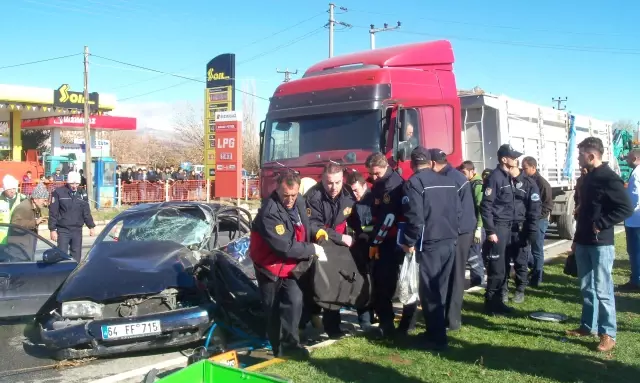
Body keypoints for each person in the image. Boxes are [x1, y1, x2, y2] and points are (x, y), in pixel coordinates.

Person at [248, 172, 325, 359]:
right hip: (269, 268)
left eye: (293, 195)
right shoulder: (269, 212)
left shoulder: (298, 200)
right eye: (285, 196)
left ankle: (291, 345)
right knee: (273, 310)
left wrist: (317, 232)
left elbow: (303, 225)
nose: (289, 200)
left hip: (290, 266)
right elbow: (284, 247)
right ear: (277, 189)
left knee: (294, 303)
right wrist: (311, 248)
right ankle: (278, 351)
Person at [566, 137, 632, 352]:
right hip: (583, 241)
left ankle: (608, 334)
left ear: (592, 156)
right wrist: (576, 240)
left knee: (602, 289)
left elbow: (626, 208)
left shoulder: (608, 177)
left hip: (601, 243)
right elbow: (583, 211)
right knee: (586, 287)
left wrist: (601, 224)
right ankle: (588, 326)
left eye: (581, 154)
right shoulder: (588, 178)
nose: (578, 157)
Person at [400, 146, 461, 350]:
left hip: (430, 243)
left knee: (430, 291)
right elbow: (457, 212)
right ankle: (437, 331)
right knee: (441, 288)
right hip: (450, 240)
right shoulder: (448, 181)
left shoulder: (414, 183)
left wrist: (409, 241)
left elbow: (415, 218)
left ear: (411, 164)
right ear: (430, 162)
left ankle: (436, 338)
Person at [305, 163, 360, 339]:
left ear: (342, 179)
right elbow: (314, 226)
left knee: (336, 285)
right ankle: (305, 325)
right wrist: (340, 238)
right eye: (329, 183)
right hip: (320, 246)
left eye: (337, 182)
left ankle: (333, 328)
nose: (333, 187)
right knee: (316, 286)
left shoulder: (347, 193)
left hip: (340, 249)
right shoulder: (313, 197)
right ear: (322, 179)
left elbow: (354, 218)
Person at [365, 152, 413, 337]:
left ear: (385, 167)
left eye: (377, 173)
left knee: (390, 282)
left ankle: (392, 324)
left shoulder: (392, 186)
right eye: (372, 174)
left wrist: (375, 242)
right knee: (385, 283)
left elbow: (388, 219)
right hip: (385, 237)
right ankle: (389, 322)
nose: (374, 177)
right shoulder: (380, 183)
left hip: (392, 240)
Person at [428, 149, 475, 331]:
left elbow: (453, 210)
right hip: (458, 230)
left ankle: (452, 321)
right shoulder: (454, 175)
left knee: (455, 276)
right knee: (449, 275)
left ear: (432, 163)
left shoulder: (450, 179)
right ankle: (446, 316)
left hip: (459, 232)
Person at [480, 144, 523, 315]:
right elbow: (486, 206)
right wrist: (490, 231)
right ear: (504, 159)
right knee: (496, 267)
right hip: (498, 227)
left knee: (504, 266)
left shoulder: (508, 177)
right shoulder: (495, 177)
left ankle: (499, 301)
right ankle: (491, 303)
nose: (516, 159)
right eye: (513, 157)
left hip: (508, 227)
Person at [503, 165, 541, 304]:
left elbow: (534, 209)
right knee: (503, 262)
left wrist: (531, 231)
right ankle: (504, 290)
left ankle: (520, 290)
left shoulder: (528, 183)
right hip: (504, 228)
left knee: (521, 261)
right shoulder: (503, 181)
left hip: (520, 229)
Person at [346, 171, 377, 330]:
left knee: (375, 284)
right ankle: (365, 321)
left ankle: (374, 316)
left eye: (356, 190)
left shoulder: (373, 201)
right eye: (351, 191)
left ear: (365, 185)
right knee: (361, 285)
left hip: (374, 247)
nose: (354, 194)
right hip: (359, 249)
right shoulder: (351, 203)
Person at [48, 171, 96, 262]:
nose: (74, 186)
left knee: (76, 256)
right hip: (63, 229)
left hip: (77, 230)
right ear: (67, 182)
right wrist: (52, 229)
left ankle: (73, 274)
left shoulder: (82, 193)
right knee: (61, 255)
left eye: (76, 183)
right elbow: (53, 212)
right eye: (72, 183)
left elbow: (86, 211)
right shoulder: (59, 192)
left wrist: (91, 226)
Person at [520, 157, 552, 287]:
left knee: (537, 250)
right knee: (525, 249)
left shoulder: (542, 183)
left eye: (525, 168)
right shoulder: (526, 181)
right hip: (527, 220)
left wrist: (535, 217)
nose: (523, 171)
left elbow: (548, 205)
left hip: (539, 221)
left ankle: (537, 278)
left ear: (533, 167)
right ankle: (532, 271)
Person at [458, 161, 486, 287]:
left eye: (464, 173)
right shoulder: (470, 183)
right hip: (473, 224)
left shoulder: (477, 184)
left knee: (474, 254)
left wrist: (479, 228)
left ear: (472, 171)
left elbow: (480, 207)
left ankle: (478, 280)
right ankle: (477, 279)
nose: (463, 175)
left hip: (477, 225)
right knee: (474, 254)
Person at [622, 149, 640, 291]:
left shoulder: (636, 174)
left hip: (635, 220)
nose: (626, 160)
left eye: (628, 158)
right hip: (636, 219)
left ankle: (636, 281)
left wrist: (624, 211)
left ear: (634, 158)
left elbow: (635, 198)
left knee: (635, 251)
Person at [0, 175, 27, 244]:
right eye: (9, 189)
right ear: (4, 189)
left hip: (16, 237)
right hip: (1, 239)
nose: (12, 191)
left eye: (14, 188)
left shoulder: (23, 199)